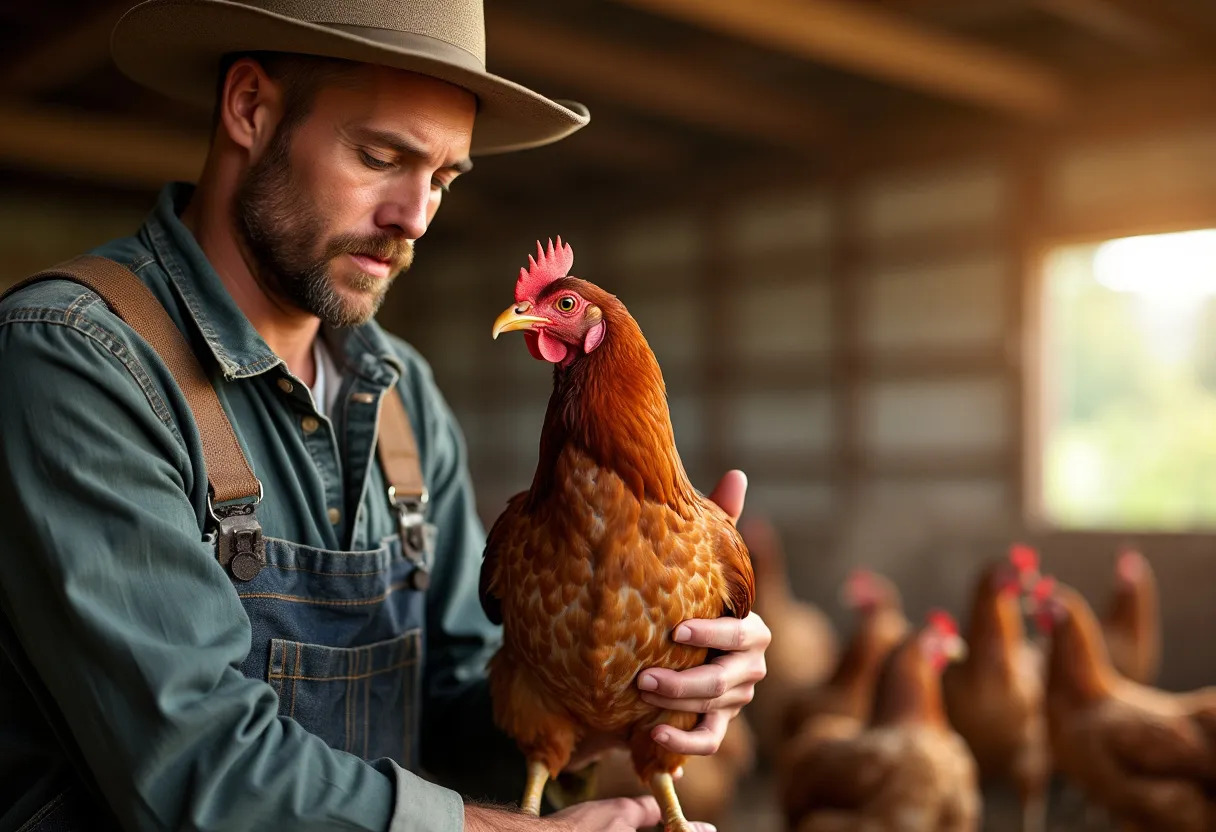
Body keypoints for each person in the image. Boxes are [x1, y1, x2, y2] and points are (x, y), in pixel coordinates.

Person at [0, 2, 772, 831]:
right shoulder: (74, 361)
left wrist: (621, 688)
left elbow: (446, 715)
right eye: (380, 156)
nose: (416, 216)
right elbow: (197, 767)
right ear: (250, 108)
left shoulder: (406, 402)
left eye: (443, 178)